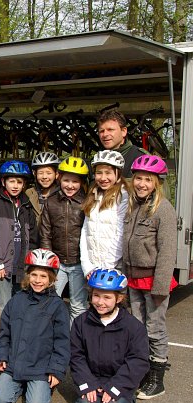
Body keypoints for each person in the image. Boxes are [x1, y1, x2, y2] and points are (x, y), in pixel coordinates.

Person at [0, 249, 70, 403]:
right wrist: (1, 355)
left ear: (52, 279)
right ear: (28, 275)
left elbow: (62, 342)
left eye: (43, 276)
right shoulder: (16, 300)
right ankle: (23, 385)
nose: (38, 280)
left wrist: (56, 370)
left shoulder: (57, 306)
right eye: (34, 275)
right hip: (15, 364)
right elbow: (4, 332)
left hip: (40, 368)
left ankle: (38, 387)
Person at [123, 155, 176, 399]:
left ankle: (157, 379)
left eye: (148, 179)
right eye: (139, 178)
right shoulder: (133, 205)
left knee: (155, 328)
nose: (142, 184)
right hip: (133, 277)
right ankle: (143, 371)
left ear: (157, 182)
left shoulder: (163, 209)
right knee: (138, 327)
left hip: (153, 279)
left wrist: (161, 287)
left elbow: (167, 250)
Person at [71, 268, 149, 403]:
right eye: (96, 295)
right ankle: (98, 400)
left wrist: (116, 387)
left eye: (107, 297)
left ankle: (124, 399)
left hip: (120, 381)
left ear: (119, 298)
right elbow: (76, 356)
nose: (100, 302)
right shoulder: (81, 322)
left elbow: (138, 361)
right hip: (92, 378)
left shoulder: (133, 327)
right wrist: (88, 384)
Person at [0, 160, 38, 310]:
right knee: (3, 305)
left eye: (19, 182)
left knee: (21, 306)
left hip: (21, 265)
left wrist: (30, 262)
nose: (15, 186)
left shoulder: (26, 206)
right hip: (1, 265)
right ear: (3, 182)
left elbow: (33, 237)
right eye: (11, 181)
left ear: (24, 184)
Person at [40, 156, 89, 323]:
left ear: (82, 182)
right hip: (57, 262)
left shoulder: (87, 202)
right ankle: (49, 335)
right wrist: (48, 262)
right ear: (59, 178)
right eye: (66, 180)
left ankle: (76, 336)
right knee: (48, 302)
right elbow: (45, 232)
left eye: (75, 182)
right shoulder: (51, 202)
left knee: (78, 305)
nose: (70, 185)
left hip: (78, 262)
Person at [81, 150, 128, 279]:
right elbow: (85, 231)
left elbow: (121, 233)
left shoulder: (123, 196)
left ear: (118, 174)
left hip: (113, 268)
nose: (103, 178)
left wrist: (106, 268)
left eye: (108, 173)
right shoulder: (93, 194)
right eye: (99, 173)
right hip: (93, 267)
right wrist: (87, 266)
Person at [97, 109, 147, 178]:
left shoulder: (142, 158)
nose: (105, 134)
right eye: (101, 131)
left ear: (123, 131)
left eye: (110, 130)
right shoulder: (97, 159)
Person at [25, 152, 60, 224]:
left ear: (56, 174)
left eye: (49, 173)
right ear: (35, 174)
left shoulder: (62, 194)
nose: (44, 177)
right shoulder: (29, 193)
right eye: (40, 173)